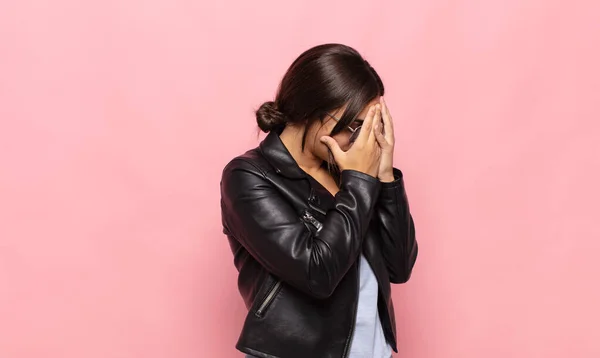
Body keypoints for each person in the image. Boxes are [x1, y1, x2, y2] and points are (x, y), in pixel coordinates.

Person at [220, 43, 418, 358]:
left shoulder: (351, 172)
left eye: (369, 128)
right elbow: (317, 274)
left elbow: (400, 267)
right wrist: (359, 181)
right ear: (313, 109)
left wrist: (384, 175)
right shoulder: (249, 177)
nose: (361, 140)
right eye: (355, 126)